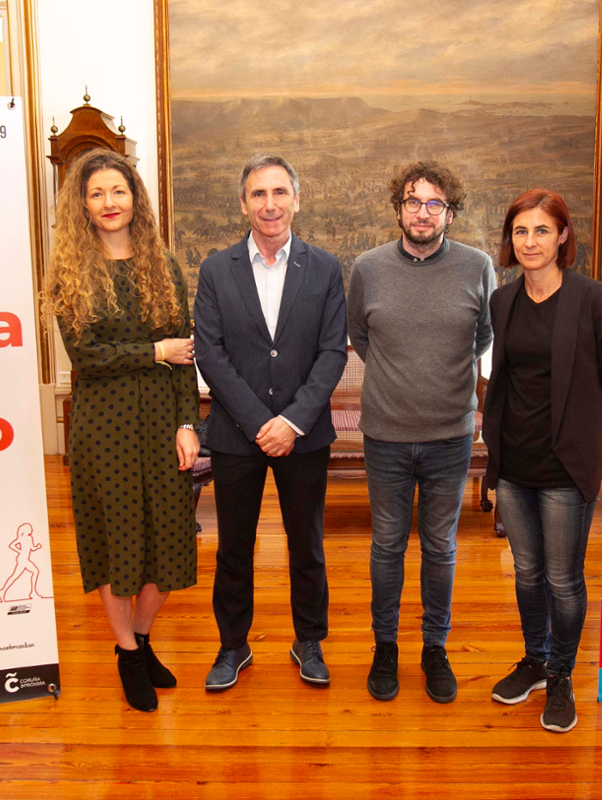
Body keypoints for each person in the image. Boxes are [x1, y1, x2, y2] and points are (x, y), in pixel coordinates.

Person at [43, 149, 200, 713]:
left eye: (118, 191)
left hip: (161, 420)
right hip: (103, 424)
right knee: (116, 542)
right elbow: (86, 355)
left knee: (169, 538)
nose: (109, 202)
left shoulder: (163, 264)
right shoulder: (71, 271)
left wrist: (188, 422)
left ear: (135, 198)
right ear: (82, 206)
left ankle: (141, 638)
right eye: (96, 194)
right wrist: (153, 350)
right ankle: (129, 654)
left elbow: (185, 352)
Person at [482, 188, 602, 733]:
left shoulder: (595, 299)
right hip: (514, 464)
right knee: (527, 573)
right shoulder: (503, 301)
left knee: (563, 580)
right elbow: (503, 382)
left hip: (565, 468)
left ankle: (562, 675)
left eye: (542, 230)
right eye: (521, 231)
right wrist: (496, 458)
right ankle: (535, 660)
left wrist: (582, 434)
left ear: (563, 236)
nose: (530, 242)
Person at [194, 154, 347, 691]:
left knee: (307, 546)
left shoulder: (324, 268)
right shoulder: (216, 270)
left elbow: (332, 352)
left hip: (304, 437)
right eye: (258, 194)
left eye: (280, 192)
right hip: (237, 436)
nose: (270, 204)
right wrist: (263, 423)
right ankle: (232, 645)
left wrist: (292, 422)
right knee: (233, 548)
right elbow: (210, 354)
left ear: (296, 200)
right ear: (243, 204)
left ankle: (309, 641)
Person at [347, 161, 495, 704]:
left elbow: (482, 337)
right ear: (399, 209)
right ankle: (385, 646)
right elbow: (360, 336)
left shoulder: (477, 267)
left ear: (450, 213)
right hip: (385, 435)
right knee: (387, 545)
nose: (423, 212)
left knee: (441, 546)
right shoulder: (368, 268)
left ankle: (435, 647)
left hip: (449, 437)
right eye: (413, 201)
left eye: (435, 203)